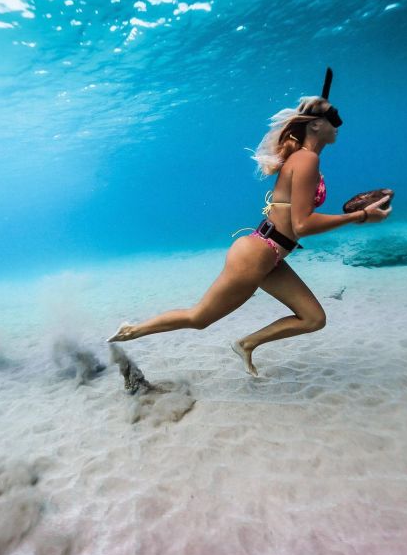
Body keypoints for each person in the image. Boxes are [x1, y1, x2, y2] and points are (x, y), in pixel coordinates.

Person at [107, 88, 392, 377]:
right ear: (316, 124)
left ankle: (246, 344)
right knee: (199, 317)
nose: (339, 123)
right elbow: (302, 225)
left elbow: (296, 222)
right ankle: (131, 330)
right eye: (334, 117)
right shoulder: (306, 160)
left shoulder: (304, 159)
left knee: (313, 318)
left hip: (271, 256)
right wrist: (361, 215)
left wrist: (357, 214)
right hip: (257, 254)